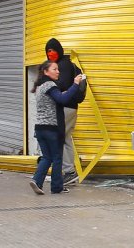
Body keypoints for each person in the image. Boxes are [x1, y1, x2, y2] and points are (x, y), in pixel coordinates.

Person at [30, 60, 82, 195]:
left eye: (58, 69)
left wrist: (64, 91)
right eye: (54, 69)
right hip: (52, 128)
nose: (58, 71)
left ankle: (36, 181)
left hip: (40, 128)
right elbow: (62, 100)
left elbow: (57, 98)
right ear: (46, 71)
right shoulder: (50, 85)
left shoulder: (40, 86)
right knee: (57, 157)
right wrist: (75, 84)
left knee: (47, 157)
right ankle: (57, 187)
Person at [45, 38, 86, 186]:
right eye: (48, 51)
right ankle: (69, 172)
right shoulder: (60, 65)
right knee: (65, 138)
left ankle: (67, 172)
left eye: (53, 50)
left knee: (58, 139)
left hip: (66, 107)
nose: (51, 54)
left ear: (59, 50)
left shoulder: (64, 65)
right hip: (68, 107)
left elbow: (62, 84)